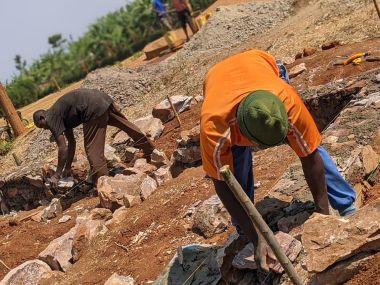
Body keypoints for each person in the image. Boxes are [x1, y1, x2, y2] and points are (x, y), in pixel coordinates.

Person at [200, 49, 356, 272]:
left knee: (307, 141)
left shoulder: (287, 102)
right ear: (244, 135)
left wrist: (323, 216)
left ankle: (345, 203)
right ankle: (245, 227)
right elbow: (222, 182)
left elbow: (310, 154)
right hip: (217, 81)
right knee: (234, 163)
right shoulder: (214, 128)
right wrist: (257, 237)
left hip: (262, 64)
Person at [33, 88, 154, 187]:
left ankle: (104, 184)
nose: (45, 129)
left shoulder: (51, 119)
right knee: (125, 125)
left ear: (42, 118)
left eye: (41, 126)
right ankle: (151, 150)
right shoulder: (59, 114)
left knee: (92, 149)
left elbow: (62, 148)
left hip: (90, 108)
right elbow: (71, 143)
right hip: (101, 98)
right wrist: (68, 167)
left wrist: (57, 175)